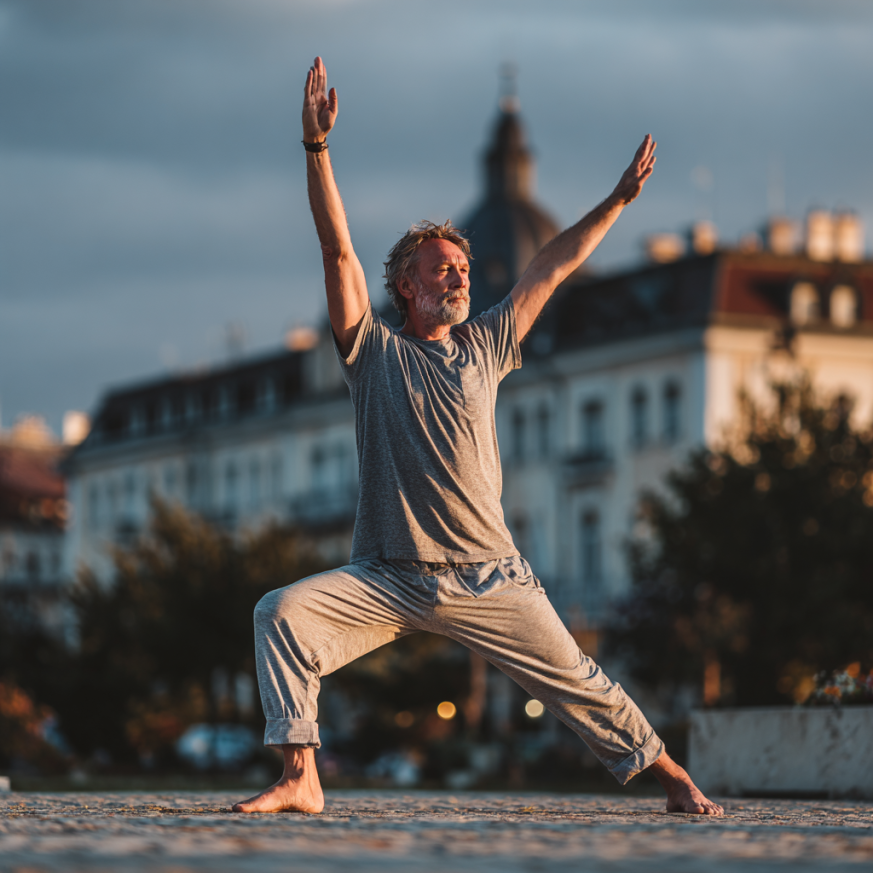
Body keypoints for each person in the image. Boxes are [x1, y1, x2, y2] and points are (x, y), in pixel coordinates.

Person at [233, 57, 723, 816]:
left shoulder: (486, 345)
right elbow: (336, 250)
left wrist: (618, 201)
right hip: (389, 575)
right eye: (442, 269)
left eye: (463, 268)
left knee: (580, 681)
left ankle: (673, 779)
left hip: (490, 576)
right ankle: (303, 775)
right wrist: (316, 150)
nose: (459, 278)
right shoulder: (372, 350)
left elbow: (550, 268)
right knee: (280, 614)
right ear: (406, 284)